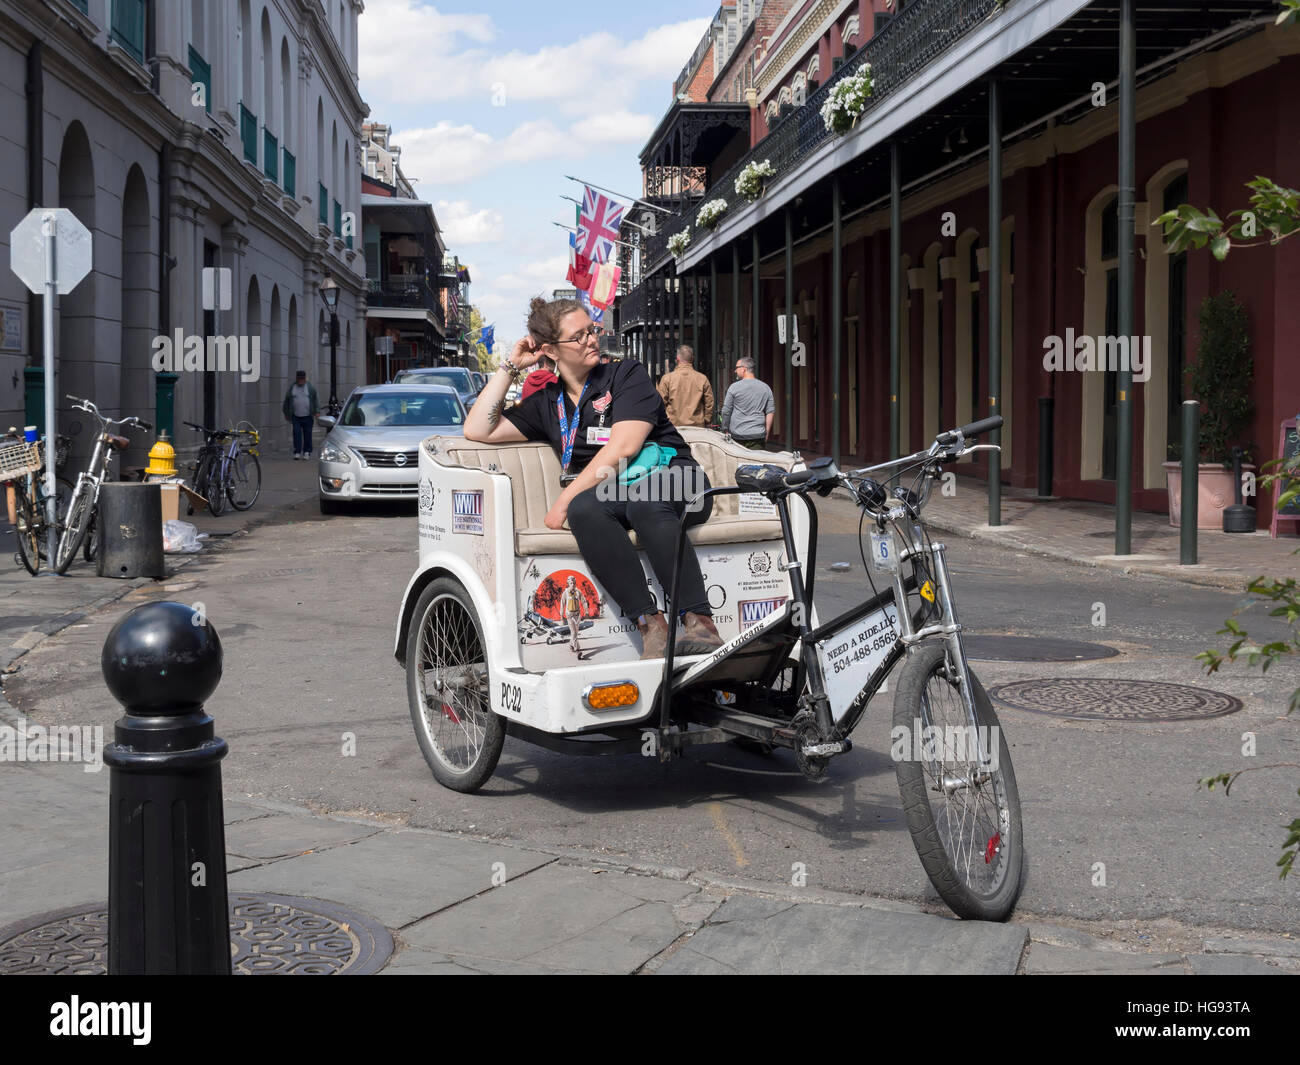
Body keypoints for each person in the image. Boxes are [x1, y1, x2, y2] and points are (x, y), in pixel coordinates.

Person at [463, 296, 723, 660]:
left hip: (680, 481)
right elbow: (477, 429)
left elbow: (623, 447)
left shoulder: (625, 374)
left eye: (592, 330)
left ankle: (700, 623)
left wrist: (562, 501)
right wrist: (511, 365)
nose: (591, 340)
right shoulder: (547, 403)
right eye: (579, 336)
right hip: (625, 495)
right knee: (586, 509)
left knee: (638, 500)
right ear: (550, 350)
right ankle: (652, 627)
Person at [721, 357, 775, 449]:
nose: (735, 371)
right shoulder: (765, 387)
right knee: (756, 462)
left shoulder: (734, 387)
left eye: (737, 367)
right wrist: (767, 432)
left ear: (744, 369)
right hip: (758, 435)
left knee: (738, 462)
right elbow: (770, 411)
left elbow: (726, 410)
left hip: (737, 435)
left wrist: (725, 428)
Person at [657, 346, 715, 427]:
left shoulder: (667, 379)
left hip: (674, 425)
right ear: (692, 359)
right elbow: (709, 402)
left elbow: (660, 403)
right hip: (697, 425)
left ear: (677, 359)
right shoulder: (702, 378)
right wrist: (707, 419)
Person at [282, 370, 319, 459]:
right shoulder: (292, 388)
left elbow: (315, 399)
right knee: (296, 433)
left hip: (308, 415)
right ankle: (297, 451)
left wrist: (317, 411)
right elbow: (287, 401)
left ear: (305, 379)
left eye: (302, 379)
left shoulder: (309, 387)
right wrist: (286, 413)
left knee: (308, 434)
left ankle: (307, 452)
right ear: (297, 379)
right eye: (299, 379)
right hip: (296, 416)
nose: (301, 381)